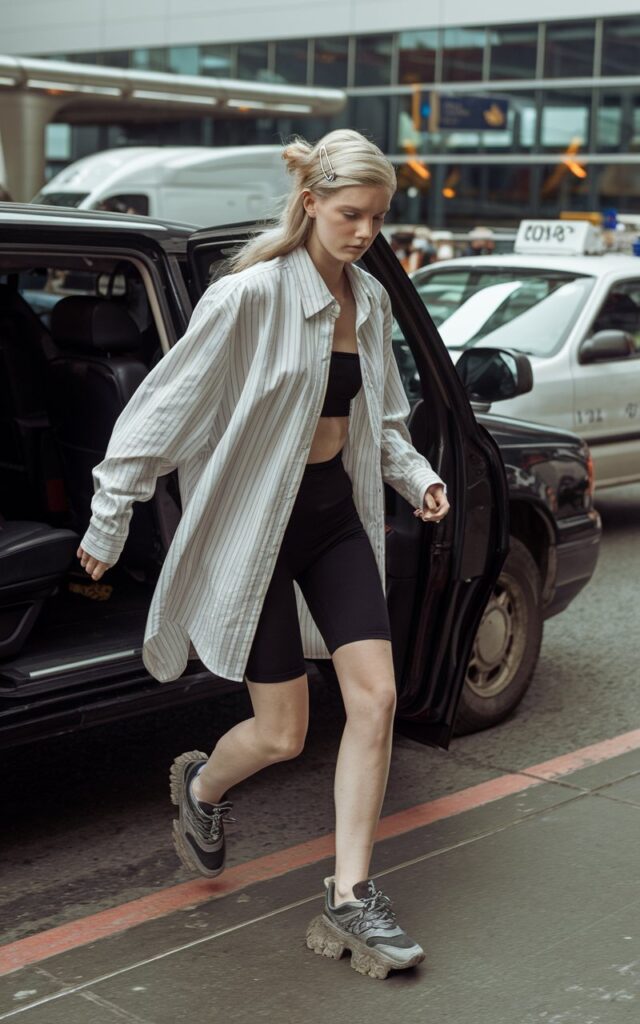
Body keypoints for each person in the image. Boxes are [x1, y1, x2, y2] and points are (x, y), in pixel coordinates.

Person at [76, 128, 449, 979]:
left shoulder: (374, 301)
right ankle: (202, 787)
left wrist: (418, 478)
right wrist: (110, 518)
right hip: (259, 530)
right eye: (351, 214)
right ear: (311, 201)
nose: (364, 233)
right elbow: (159, 412)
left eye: (379, 218)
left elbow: (383, 422)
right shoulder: (247, 297)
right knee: (283, 735)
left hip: (334, 521)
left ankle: (352, 896)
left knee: (378, 699)